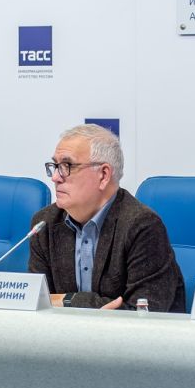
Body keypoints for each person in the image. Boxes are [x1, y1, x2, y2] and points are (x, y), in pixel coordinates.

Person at [29, 124, 185, 312]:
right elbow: (37, 302)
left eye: (66, 166)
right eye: (55, 166)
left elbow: (144, 313)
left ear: (103, 175)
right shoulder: (44, 223)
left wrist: (68, 300)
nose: (55, 177)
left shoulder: (142, 226)